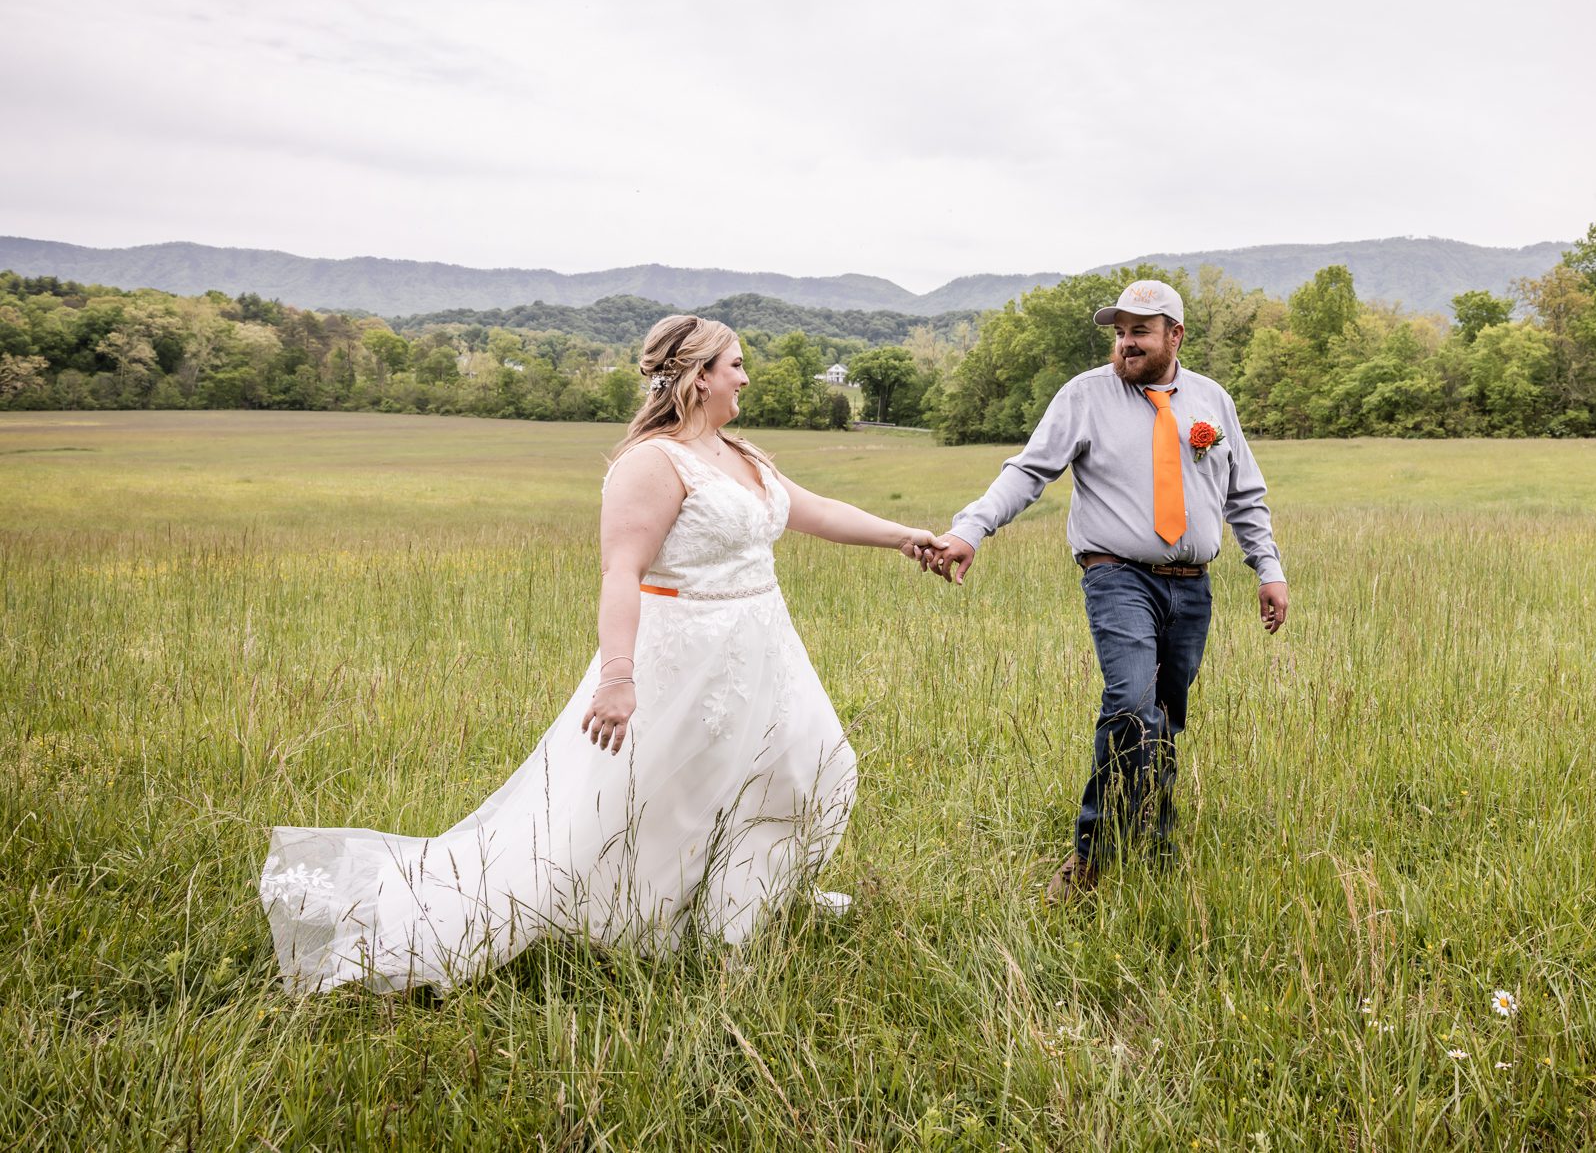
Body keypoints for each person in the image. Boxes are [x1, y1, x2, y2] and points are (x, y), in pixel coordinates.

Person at [261, 315, 937, 992]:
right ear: (700, 377)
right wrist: (617, 676)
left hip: (765, 651)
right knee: (656, 801)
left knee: (802, 771)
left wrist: (905, 536)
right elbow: (621, 571)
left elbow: (813, 510)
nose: (745, 376)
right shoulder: (651, 462)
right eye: (735, 364)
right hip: (683, 660)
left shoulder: (741, 454)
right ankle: (649, 922)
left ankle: (745, 908)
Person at [917, 279, 1288, 904]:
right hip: (1117, 575)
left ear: (1175, 335)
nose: (1126, 342)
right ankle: (1090, 859)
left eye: (1139, 330)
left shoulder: (1211, 402)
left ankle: (1157, 839)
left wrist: (1268, 568)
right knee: (1129, 702)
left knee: (1162, 719)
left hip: (1192, 587)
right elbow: (1028, 471)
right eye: (1119, 331)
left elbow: (1243, 495)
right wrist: (970, 530)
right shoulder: (1085, 395)